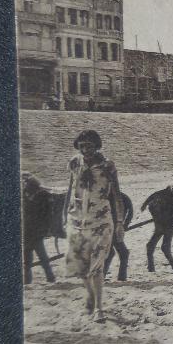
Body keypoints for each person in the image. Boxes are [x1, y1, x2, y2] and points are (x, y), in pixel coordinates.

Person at [64, 129, 124, 322]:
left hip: (101, 221)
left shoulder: (108, 166)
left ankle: (99, 308)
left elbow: (117, 196)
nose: (85, 150)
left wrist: (120, 223)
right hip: (77, 220)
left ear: (96, 146)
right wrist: (64, 215)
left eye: (89, 146)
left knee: (97, 267)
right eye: (82, 146)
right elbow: (70, 190)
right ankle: (90, 293)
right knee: (80, 266)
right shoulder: (74, 163)